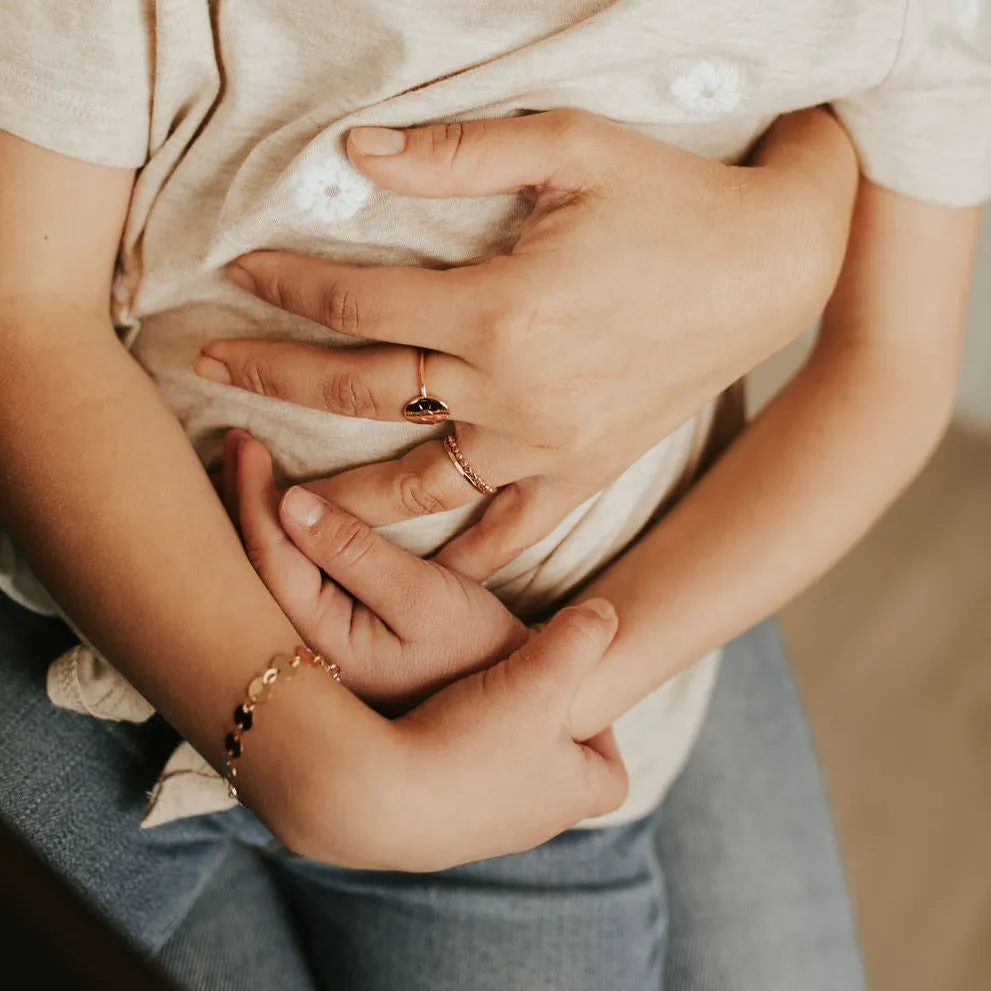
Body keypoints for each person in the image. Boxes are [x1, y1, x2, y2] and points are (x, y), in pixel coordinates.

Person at [0, 1, 988, 987]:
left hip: (535, 761)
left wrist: (542, 696)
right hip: (117, 626)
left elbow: (888, 372)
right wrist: (307, 747)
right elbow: (28, 318)